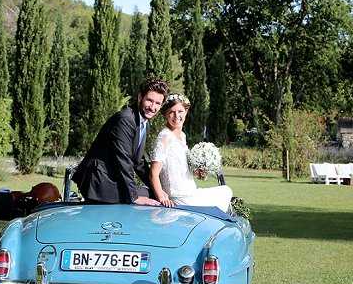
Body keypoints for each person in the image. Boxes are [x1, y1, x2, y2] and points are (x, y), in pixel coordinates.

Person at [72, 77, 168, 205]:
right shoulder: (125, 119)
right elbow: (124, 160)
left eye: (158, 103)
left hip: (111, 180)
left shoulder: (143, 123)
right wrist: (134, 197)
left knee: (154, 193)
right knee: (149, 196)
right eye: (149, 100)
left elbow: (138, 162)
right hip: (98, 182)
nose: (153, 107)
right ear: (140, 97)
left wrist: (158, 188)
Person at [149, 93, 233, 212]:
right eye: (171, 112)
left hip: (190, 191)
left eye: (180, 111)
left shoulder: (182, 136)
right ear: (165, 114)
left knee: (225, 190)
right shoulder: (164, 137)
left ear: (186, 111)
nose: (176, 116)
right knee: (225, 192)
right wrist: (162, 197)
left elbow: (180, 167)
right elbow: (153, 173)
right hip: (179, 197)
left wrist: (198, 171)